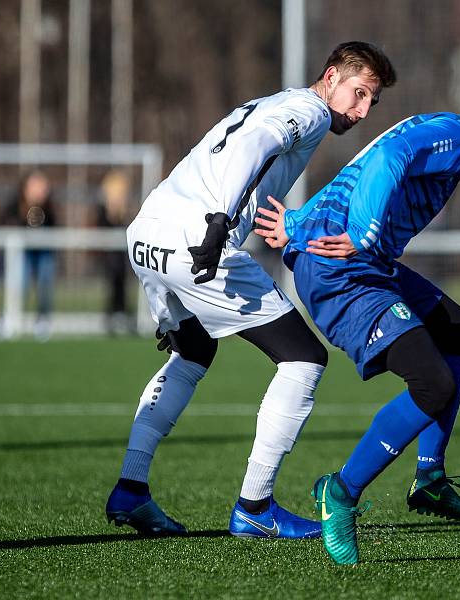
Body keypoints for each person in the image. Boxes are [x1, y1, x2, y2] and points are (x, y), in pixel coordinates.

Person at [105, 42, 396, 539]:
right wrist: (221, 219)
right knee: (304, 358)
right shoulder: (310, 111)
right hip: (197, 240)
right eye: (359, 93)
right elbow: (254, 143)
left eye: (372, 101)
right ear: (330, 78)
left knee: (193, 351)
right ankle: (255, 507)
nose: (363, 110)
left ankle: (131, 490)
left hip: (146, 235)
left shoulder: (275, 100)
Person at [255, 81, 460, 563]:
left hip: (362, 263)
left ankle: (429, 477)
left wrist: (303, 223)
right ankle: (341, 492)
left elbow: (364, 165)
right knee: (434, 384)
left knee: (458, 330)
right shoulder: (453, 137)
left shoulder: (445, 132)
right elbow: (388, 160)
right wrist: (363, 232)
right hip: (342, 272)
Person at [0, 170, 57, 340]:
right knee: (19, 283)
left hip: (43, 253)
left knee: (45, 282)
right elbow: (5, 222)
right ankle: (11, 318)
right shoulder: (15, 204)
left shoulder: (49, 207)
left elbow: (53, 227)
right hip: (22, 252)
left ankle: (42, 321)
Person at [95, 170, 133, 335]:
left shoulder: (127, 213)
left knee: (124, 286)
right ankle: (112, 317)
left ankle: (125, 316)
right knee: (113, 285)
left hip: (124, 259)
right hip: (110, 259)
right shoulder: (103, 213)